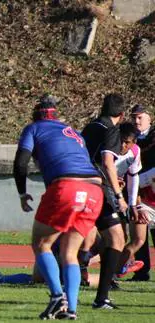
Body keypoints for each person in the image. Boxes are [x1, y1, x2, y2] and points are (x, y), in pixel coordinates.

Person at [14, 95, 103, 320]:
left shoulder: (33, 129)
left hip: (67, 186)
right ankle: (71, 309)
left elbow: (20, 162)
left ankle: (56, 296)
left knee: (42, 243)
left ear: (35, 115)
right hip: (94, 189)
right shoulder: (73, 131)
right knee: (69, 252)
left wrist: (22, 192)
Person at [81, 93, 127, 309]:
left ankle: (97, 295)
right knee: (117, 239)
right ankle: (102, 298)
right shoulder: (112, 130)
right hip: (95, 190)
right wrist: (118, 195)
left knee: (83, 238)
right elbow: (108, 163)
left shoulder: (90, 127)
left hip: (79, 186)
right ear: (121, 114)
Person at [112, 122, 148, 278]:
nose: (123, 145)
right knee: (115, 239)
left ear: (134, 142)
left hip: (127, 199)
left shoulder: (135, 151)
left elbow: (134, 177)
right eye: (121, 140)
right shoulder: (108, 148)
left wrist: (134, 204)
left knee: (137, 239)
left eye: (127, 142)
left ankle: (116, 270)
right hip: (106, 195)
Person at [130, 104, 155, 281]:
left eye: (140, 117)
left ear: (149, 118)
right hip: (140, 193)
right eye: (134, 117)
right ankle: (141, 270)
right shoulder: (130, 138)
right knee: (139, 232)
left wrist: (139, 180)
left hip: (150, 187)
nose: (137, 121)